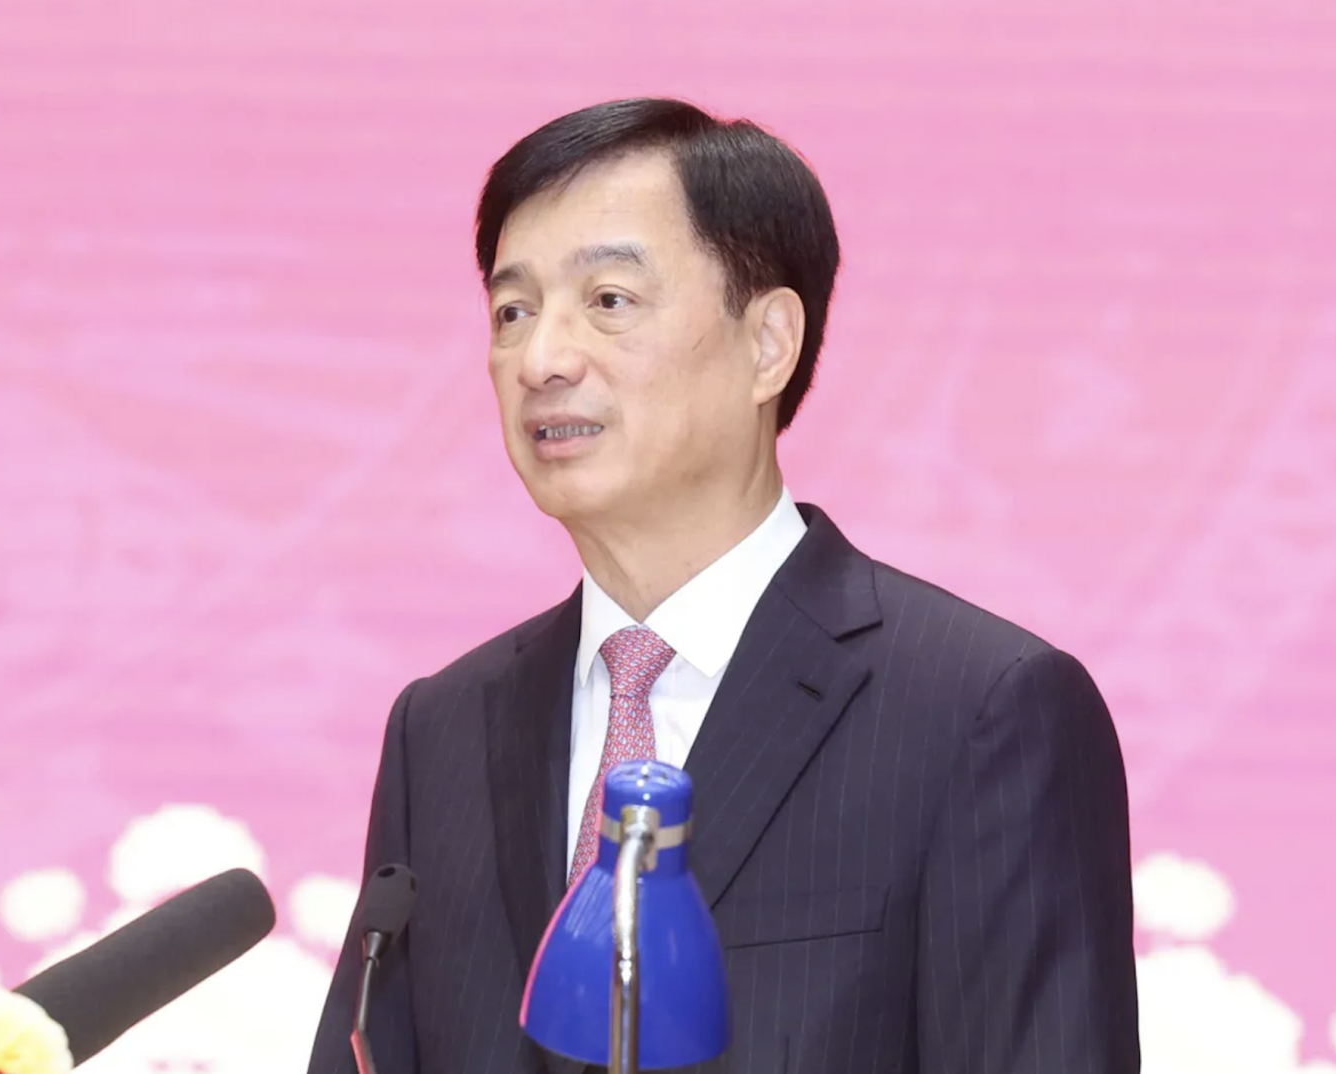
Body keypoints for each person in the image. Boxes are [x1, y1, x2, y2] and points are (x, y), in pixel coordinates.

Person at [307, 97, 1139, 1074]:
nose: (541, 360)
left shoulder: (978, 711)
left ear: (768, 343)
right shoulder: (442, 729)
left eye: (608, 300)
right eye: (512, 312)